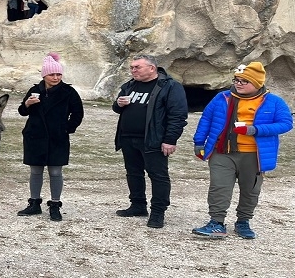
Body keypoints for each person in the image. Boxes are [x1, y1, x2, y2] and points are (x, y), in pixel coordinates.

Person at [191, 62, 292, 239]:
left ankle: (243, 222)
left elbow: (286, 124)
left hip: (254, 155)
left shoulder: (274, 101)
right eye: (236, 80)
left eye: (244, 81)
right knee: (219, 187)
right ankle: (216, 223)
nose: (238, 84)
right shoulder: (222, 98)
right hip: (222, 151)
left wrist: (255, 129)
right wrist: (199, 143)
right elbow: (206, 119)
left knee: (250, 190)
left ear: (257, 83)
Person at [112, 54, 188, 228]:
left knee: (158, 176)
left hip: (153, 139)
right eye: (131, 67)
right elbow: (116, 108)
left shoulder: (169, 86)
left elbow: (177, 116)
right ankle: (138, 205)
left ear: (151, 68)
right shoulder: (130, 85)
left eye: (137, 67)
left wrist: (170, 140)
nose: (133, 70)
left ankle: (158, 212)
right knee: (133, 173)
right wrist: (119, 104)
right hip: (128, 137)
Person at [17, 53, 84, 220]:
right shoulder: (34, 90)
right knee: (35, 170)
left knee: (55, 171)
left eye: (58, 74)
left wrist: (65, 129)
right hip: (35, 136)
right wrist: (27, 104)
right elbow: (22, 112)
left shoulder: (69, 92)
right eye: (52, 74)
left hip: (57, 137)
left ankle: (55, 205)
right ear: (44, 75)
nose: (55, 77)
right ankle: (34, 203)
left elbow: (77, 114)